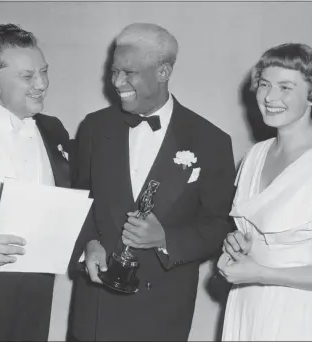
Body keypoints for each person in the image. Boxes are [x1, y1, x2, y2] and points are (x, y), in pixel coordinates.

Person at [69, 23, 235, 341]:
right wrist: (88, 244)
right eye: (114, 71)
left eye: (129, 73)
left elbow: (220, 227)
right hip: (95, 312)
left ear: (163, 72)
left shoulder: (211, 141)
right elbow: (79, 201)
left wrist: (164, 238)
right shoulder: (94, 127)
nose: (117, 83)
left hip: (162, 315)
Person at [217, 43, 312, 341]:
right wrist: (238, 244)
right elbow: (254, 233)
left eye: (285, 87)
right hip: (246, 303)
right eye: (265, 84)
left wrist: (262, 274)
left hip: (296, 313)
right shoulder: (255, 155)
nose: (270, 97)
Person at [0, 24, 71, 341]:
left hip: (36, 299)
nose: (42, 84)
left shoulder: (55, 130)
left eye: (44, 72)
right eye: (27, 76)